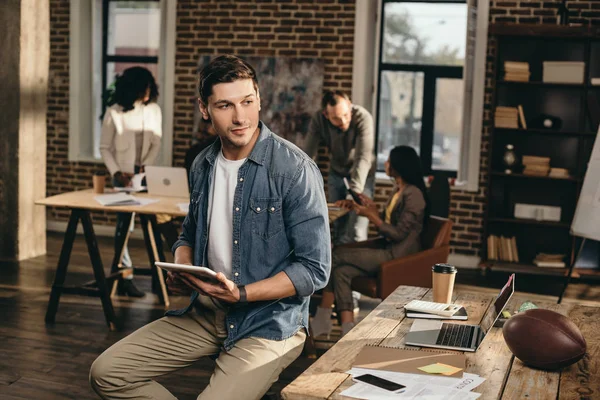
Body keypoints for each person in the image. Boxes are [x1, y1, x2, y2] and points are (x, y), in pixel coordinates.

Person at [90, 55, 331, 400]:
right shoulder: (203, 164)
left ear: (259, 100)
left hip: (268, 323)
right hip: (207, 312)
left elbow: (314, 270)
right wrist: (184, 264)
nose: (240, 117)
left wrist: (242, 294)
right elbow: (188, 233)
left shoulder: (294, 170)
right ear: (205, 109)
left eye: (248, 102)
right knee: (107, 374)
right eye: (225, 105)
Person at [311, 145, 430, 338]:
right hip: (388, 248)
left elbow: (398, 234)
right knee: (341, 272)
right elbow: (388, 222)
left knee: (337, 254)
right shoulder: (399, 189)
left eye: (390, 160)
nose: (386, 163)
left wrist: (371, 216)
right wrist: (369, 207)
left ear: (400, 164)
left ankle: (322, 317)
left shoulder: (413, 194)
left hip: (398, 255)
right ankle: (348, 329)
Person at [99, 66, 162, 297]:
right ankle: (125, 276)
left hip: (145, 177)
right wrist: (116, 172)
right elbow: (105, 148)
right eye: (144, 86)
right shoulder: (114, 113)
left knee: (152, 227)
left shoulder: (154, 110)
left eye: (149, 86)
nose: (148, 91)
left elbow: (157, 142)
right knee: (124, 228)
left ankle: (160, 277)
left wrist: (146, 165)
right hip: (122, 180)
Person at [302, 90, 375, 245]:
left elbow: (363, 158)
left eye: (346, 115)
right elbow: (307, 156)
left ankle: (355, 267)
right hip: (337, 174)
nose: (343, 122)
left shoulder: (363, 118)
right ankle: (339, 268)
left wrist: (353, 194)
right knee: (337, 227)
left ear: (349, 105)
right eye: (336, 118)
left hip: (362, 176)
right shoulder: (318, 120)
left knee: (356, 230)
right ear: (326, 115)